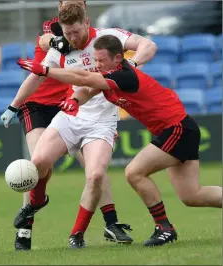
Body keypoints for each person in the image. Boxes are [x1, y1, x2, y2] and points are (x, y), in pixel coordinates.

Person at [18, 34, 222, 247]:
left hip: (177, 129)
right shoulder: (108, 73)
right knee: (192, 195)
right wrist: (74, 101)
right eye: (95, 60)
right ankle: (165, 228)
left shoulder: (125, 75)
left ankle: (164, 228)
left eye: (101, 60)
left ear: (118, 58)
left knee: (134, 172)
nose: (97, 65)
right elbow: (88, 89)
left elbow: (84, 79)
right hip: (176, 129)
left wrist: (46, 71)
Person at [1, 2, 157, 248]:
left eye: (76, 32)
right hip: (45, 106)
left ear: (87, 18)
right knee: (37, 164)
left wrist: (131, 66)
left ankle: (101, 225)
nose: (72, 38)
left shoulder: (106, 39)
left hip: (77, 106)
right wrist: (13, 106)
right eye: (67, 33)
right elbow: (43, 44)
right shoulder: (57, 31)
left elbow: (146, 45)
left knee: (95, 173)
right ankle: (26, 226)